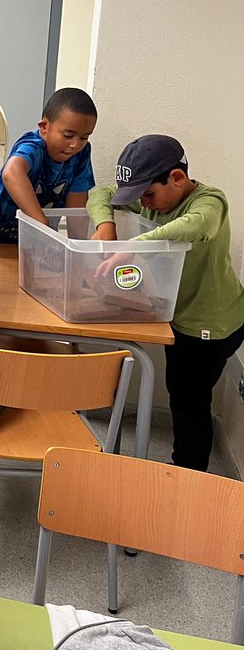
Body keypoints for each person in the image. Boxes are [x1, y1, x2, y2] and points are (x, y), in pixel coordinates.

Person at [88, 135, 244, 472]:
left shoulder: (210, 201)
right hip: (177, 312)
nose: (144, 203)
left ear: (177, 178)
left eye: (148, 194)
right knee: (183, 393)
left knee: (189, 401)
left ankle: (187, 478)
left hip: (211, 324)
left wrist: (136, 247)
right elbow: (101, 193)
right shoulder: (152, 200)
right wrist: (106, 224)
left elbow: (198, 225)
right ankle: (185, 472)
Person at [0, 87, 98, 251]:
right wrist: (43, 226)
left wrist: (78, 250)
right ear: (44, 127)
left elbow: (76, 209)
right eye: (68, 135)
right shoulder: (33, 146)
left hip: (35, 248)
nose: (75, 144)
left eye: (84, 137)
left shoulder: (81, 154)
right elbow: (11, 173)